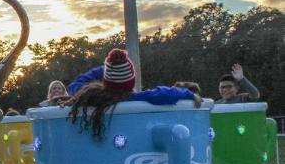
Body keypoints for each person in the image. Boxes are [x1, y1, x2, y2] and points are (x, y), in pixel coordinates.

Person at [67, 48, 201, 139]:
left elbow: (75, 85)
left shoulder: (91, 98)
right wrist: (189, 94)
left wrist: (107, 69)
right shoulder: (136, 98)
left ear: (106, 79)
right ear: (131, 80)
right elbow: (164, 93)